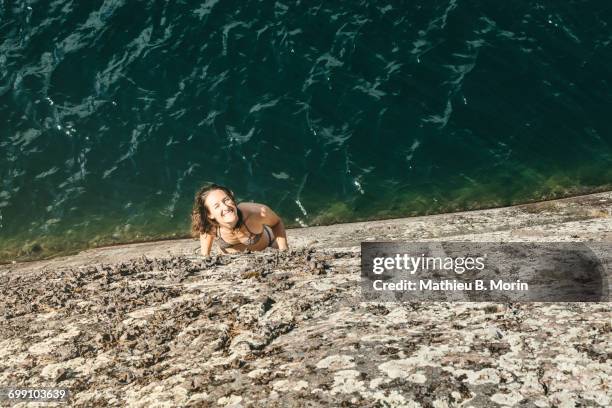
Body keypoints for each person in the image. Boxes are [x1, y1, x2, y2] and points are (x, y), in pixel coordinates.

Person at [191, 184, 288, 256]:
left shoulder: (257, 212)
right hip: (232, 258)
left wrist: (284, 249)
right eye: (217, 206)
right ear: (210, 214)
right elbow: (205, 235)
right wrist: (205, 256)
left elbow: (276, 223)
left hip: (268, 246)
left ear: (232, 199)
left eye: (226, 200)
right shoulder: (209, 224)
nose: (225, 207)